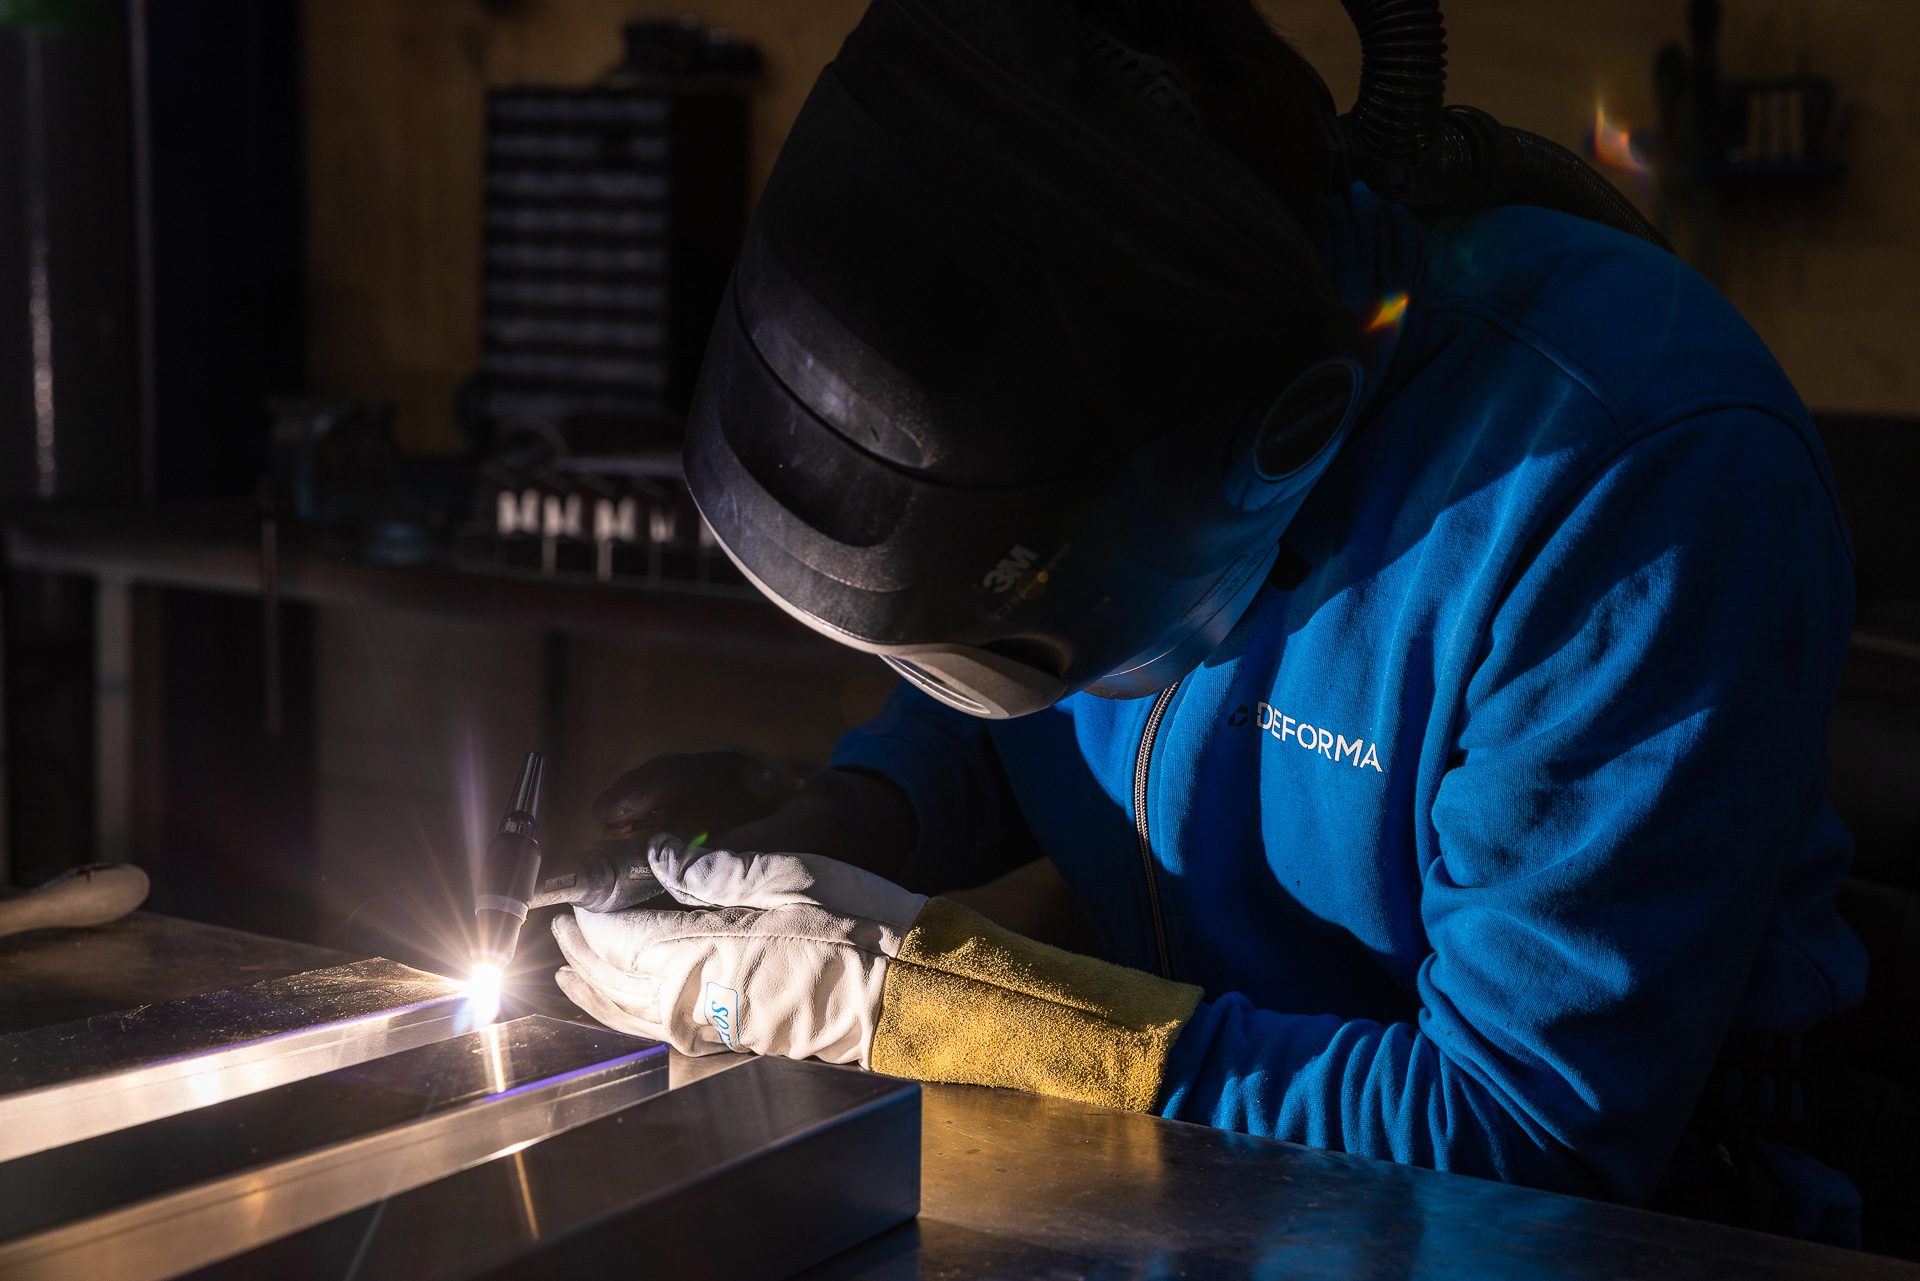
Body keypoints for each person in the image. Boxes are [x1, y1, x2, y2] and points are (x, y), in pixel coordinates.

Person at [549, 0, 1866, 1246]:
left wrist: (923, 1002)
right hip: (1187, 1183)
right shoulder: (1111, 467)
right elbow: (1023, 701)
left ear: (1285, 434)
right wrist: (854, 817)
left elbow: (1514, 1146)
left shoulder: (1631, 478)